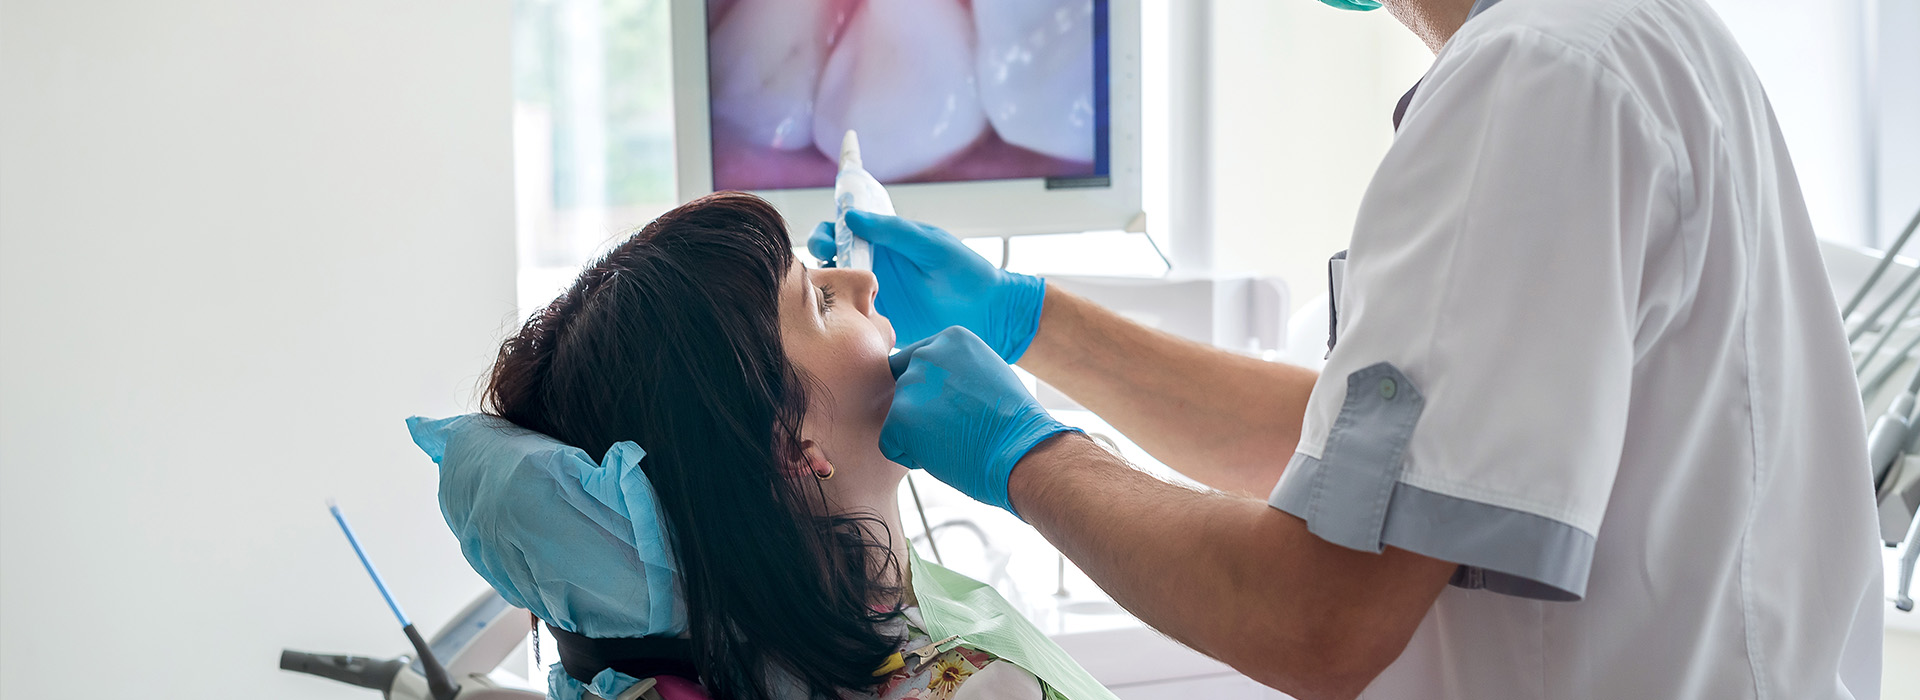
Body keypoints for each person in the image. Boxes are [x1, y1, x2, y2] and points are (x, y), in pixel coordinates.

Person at [812, 0, 1886, 697]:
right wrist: (1028, 318)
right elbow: (1382, 474)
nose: (852, 287)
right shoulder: (1626, 36)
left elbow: (1318, 616)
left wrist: (1026, 453)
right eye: (811, 302)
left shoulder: (1538, 77)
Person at [410, 192, 1111, 700]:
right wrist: (1035, 456)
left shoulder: (816, 614)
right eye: (819, 299)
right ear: (787, 442)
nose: (863, 281)